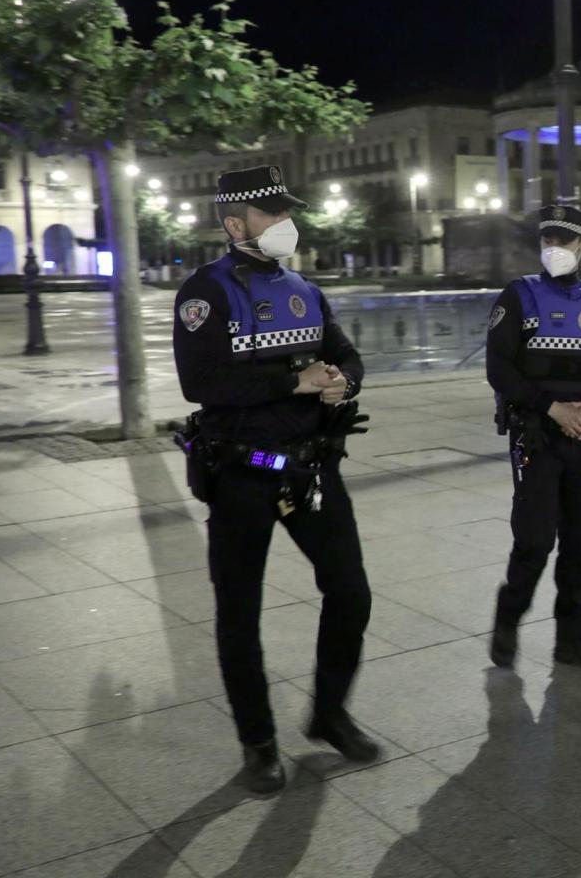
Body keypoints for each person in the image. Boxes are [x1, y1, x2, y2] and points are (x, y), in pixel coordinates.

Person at [171, 165, 379, 796]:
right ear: (235, 224)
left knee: (351, 592)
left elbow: (346, 354)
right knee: (241, 611)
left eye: (288, 213)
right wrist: (293, 381)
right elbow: (200, 384)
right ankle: (258, 742)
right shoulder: (202, 293)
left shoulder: (305, 290)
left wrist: (344, 379)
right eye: (271, 215)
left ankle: (329, 713)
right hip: (242, 471)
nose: (287, 224)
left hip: (309, 466)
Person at [486, 201, 581, 673]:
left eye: (564, 240)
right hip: (537, 436)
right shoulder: (517, 296)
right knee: (533, 541)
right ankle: (508, 623)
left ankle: (574, 641)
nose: (554, 248)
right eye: (547, 239)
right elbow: (499, 369)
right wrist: (551, 408)